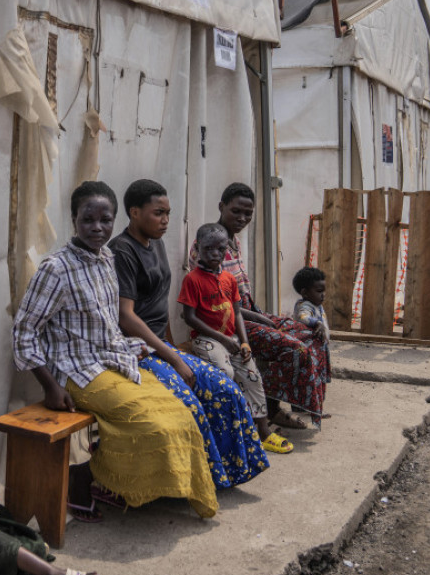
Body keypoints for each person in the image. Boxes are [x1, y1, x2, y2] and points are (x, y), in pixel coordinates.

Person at [13, 181, 219, 521]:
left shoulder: (106, 258)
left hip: (113, 360)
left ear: (115, 220)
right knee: (152, 425)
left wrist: (136, 349)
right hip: (77, 371)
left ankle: (113, 483)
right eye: (88, 219)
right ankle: (86, 481)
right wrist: (50, 386)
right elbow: (24, 331)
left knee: (181, 413)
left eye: (105, 220)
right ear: (73, 220)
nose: (97, 228)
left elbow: (108, 323)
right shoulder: (56, 268)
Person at [110, 179, 268, 488]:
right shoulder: (123, 251)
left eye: (168, 213)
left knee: (226, 390)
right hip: (137, 350)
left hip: (161, 345)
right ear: (134, 212)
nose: (166, 220)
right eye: (158, 213)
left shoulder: (155, 243)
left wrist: (172, 346)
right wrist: (174, 357)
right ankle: (199, 481)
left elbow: (159, 305)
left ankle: (232, 470)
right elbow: (125, 317)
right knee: (191, 403)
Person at [217, 183, 328, 427]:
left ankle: (302, 402)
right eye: (236, 211)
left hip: (248, 312)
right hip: (231, 321)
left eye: (248, 214)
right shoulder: (212, 244)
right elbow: (220, 303)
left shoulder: (234, 241)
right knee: (295, 347)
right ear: (221, 207)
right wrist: (259, 318)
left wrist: (260, 315)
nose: (242, 218)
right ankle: (270, 408)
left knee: (311, 334)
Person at [178, 223, 293, 454]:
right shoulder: (193, 279)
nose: (215, 254)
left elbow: (237, 312)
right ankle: (231, 431)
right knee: (226, 373)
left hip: (232, 338)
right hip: (207, 339)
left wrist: (244, 342)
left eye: (220, 249)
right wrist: (222, 339)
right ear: (197, 249)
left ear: (226, 250)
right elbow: (189, 317)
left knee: (252, 376)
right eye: (208, 249)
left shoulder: (229, 279)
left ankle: (263, 432)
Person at [292, 267, 330, 383]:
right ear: (305, 293)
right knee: (310, 377)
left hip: (317, 350)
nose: (323, 295)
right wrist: (317, 323)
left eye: (324, 291)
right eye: (319, 291)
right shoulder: (305, 306)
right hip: (309, 351)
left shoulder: (317, 305)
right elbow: (303, 317)